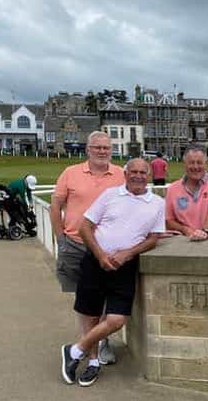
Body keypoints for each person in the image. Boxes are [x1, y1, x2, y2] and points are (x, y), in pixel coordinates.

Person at [61, 158, 165, 387]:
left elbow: (154, 238)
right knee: (91, 314)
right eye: (133, 172)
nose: (138, 176)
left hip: (124, 267)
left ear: (148, 175)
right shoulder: (110, 195)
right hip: (95, 261)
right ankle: (93, 362)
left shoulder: (157, 202)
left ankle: (75, 350)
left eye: (142, 172)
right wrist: (100, 255)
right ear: (125, 174)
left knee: (117, 319)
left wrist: (127, 253)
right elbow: (85, 227)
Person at [50, 131, 124, 366]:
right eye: (97, 147)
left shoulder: (121, 175)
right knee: (83, 300)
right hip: (75, 244)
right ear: (88, 149)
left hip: (107, 247)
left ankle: (99, 343)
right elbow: (55, 206)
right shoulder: (70, 173)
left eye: (106, 147)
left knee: (104, 299)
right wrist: (60, 238)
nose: (102, 151)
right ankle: (90, 343)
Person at [165, 148, 208, 241]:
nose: (195, 167)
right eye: (191, 162)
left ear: (206, 164)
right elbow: (169, 221)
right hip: (183, 240)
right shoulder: (172, 188)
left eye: (199, 162)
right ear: (184, 164)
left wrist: (204, 231)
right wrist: (185, 229)